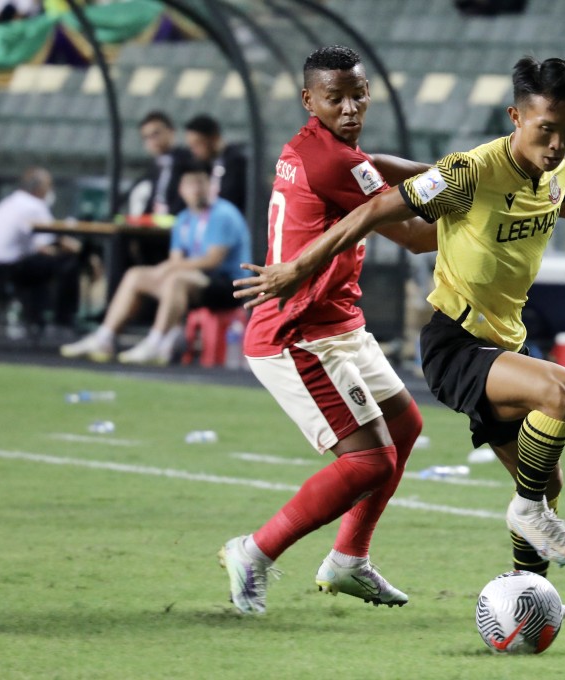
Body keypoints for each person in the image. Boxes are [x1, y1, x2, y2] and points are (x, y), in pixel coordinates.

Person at [234, 56, 565, 592]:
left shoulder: (542, 168)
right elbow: (406, 227)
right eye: (548, 131)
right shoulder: (441, 169)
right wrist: (463, 199)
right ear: (516, 116)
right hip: (406, 336)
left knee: (540, 478)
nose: (558, 144)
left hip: (468, 334)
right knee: (558, 396)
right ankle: (254, 552)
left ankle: (524, 590)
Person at [217, 46, 436, 615]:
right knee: (369, 462)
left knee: (404, 427)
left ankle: (348, 561)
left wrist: (442, 171)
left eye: (356, 94)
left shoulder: (322, 148)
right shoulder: (332, 163)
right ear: (308, 100)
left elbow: (375, 166)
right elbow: (414, 234)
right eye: (333, 98)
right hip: (297, 333)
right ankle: (254, 552)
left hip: (338, 322)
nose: (348, 107)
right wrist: (490, 213)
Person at [59, 161, 251, 365]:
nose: (196, 189)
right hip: (193, 281)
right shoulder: (184, 219)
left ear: (210, 185)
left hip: (229, 286)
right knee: (136, 275)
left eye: (200, 182)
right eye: (190, 183)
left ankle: (156, 343)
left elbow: (212, 261)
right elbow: (177, 259)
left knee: (176, 278)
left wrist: (166, 269)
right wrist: (165, 270)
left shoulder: (223, 214)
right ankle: (104, 338)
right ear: (181, 189)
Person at [0, 167, 80, 335]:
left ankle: (34, 316)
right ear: (39, 188)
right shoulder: (33, 205)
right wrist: (77, 248)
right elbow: (52, 240)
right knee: (66, 263)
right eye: (49, 185)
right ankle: (62, 321)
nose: (51, 190)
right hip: (4, 268)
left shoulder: (12, 202)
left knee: (42, 265)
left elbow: (37, 245)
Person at [129, 111, 192, 217]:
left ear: (171, 131)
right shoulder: (153, 168)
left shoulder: (188, 161)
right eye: (146, 137)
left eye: (156, 134)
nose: (152, 141)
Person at [184, 114, 248, 213]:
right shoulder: (204, 166)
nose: (194, 151)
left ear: (214, 138)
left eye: (197, 143)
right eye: (191, 146)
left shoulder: (237, 162)